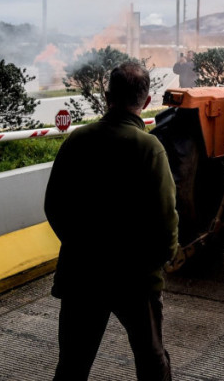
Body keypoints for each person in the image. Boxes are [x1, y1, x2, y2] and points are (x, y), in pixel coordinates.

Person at [45, 61, 178, 381]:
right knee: (151, 361)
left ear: (107, 96)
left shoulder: (77, 140)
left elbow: (54, 206)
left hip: (81, 274)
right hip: (136, 278)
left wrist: (81, 247)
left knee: (73, 365)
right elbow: (165, 219)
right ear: (146, 102)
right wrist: (161, 260)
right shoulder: (149, 148)